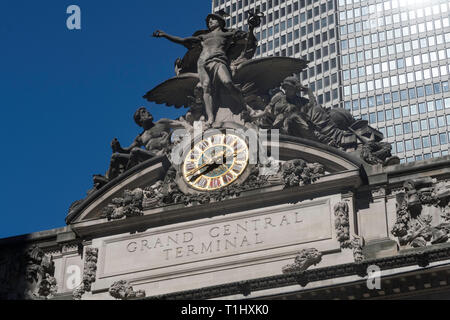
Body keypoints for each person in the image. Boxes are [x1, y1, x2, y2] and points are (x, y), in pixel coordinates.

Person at [153, 13, 248, 124]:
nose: (210, 21)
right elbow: (183, 40)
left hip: (218, 61)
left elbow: (246, 40)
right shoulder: (203, 37)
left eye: (213, 19)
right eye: (208, 20)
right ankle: (210, 117)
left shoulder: (228, 34)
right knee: (206, 88)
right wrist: (165, 35)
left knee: (227, 82)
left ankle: (245, 107)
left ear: (220, 22)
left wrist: (251, 27)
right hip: (202, 63)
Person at [94, 107, 174, 186]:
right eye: (143, 112)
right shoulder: (141, 137)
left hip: (161, 154)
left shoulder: (162, 123)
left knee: (135, 151)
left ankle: (127, 176)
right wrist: (118, 147)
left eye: (146, 111)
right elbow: (127, 150)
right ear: (140, 121)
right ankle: (109, 182)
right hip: (149, 157)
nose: (148, 112)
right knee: (115, 157)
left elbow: (180, 123)